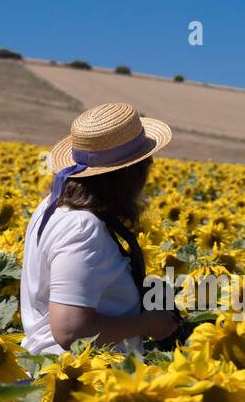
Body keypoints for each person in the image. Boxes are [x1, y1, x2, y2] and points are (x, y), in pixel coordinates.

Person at [20, 103, 182, 355]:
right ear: (130, 174)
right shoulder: (83, 228)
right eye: (147, 163)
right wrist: (147, 324)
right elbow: (70, 331)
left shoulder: (51, 206)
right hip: (81, 379)